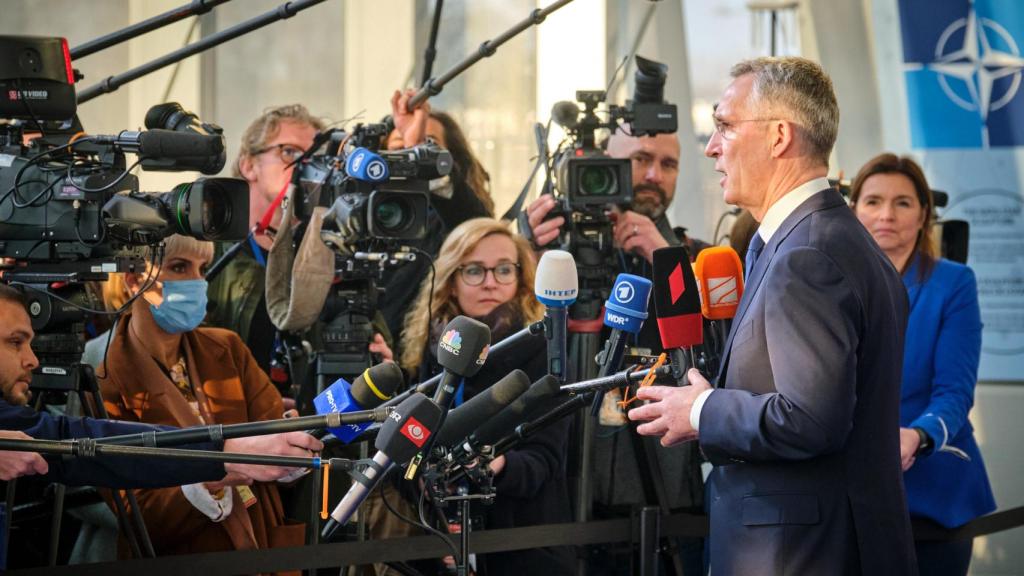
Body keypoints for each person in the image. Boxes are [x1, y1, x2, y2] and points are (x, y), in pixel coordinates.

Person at [628, 56, 916, 575]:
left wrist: (699, 410)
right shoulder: (823, 239)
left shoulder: (807, 255)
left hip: (801, 555)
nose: (712, 147)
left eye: (724, 126)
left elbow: (810, 420)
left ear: (779, 135)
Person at [523, 124, 706, 574]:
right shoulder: (554, 256)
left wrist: (665, 259)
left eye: (668, 164)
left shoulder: (694, 257)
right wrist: (525, 247)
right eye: (640, 160)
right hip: (563, 498)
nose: (652, 175)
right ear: (601, 163)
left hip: (664, 499)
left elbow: (721, 352)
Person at [91, 235, 309, 564]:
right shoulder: (107, 379)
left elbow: (274, 430)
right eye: (180, 267)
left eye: (203, 268)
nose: (197, 281)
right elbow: (137, 513)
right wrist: (212, 474)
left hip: (262, 543)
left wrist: (293, 448)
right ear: (135, 279)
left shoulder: (228, 348)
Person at [0, 283, 321, 487]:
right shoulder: (106, 363)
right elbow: (74, 443)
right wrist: (228, 452)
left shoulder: (225, 347)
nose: (33, 360)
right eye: (15, 342)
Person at [398, 217, 573, 576]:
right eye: (475, 270)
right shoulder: (431, 348)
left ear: (522, 277)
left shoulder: (541, 348)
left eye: (504, 269)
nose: (491, 282)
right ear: (451, 279)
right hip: (437, 539)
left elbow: (546, 461)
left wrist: (492, 465)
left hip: (521, 546)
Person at [851, 153, 995, 576]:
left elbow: (954, 392)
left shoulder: (953, 283)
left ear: (924, 215)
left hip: (930, 491)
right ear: (854, 210)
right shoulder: (831, 282)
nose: (886, 215)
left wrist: (919, 435)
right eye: (873, 201)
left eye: (903, 203)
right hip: (849, 493)